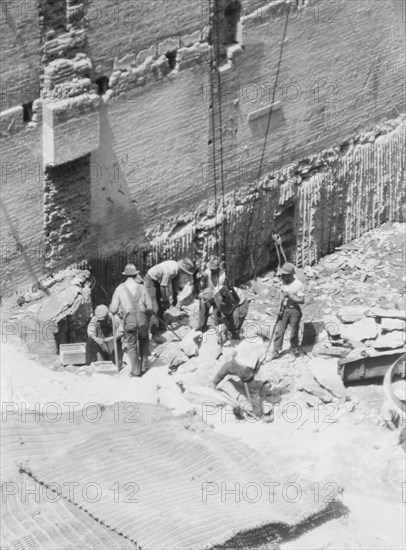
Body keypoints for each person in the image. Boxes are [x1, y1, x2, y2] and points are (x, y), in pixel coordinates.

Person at [110, 263, 153, 377]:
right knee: (144, 340)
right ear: (135, 275)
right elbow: (150, 307)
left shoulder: (119, 289)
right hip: (143, 320)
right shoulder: (142, 287)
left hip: (130, 321)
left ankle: (135, 371)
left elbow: (113, 309)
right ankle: (144, 366)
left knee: (131, 344)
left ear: (125, 276)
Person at [210, 352, 278, 421]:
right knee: (253, 392)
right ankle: (259, 414)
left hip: (242, 378)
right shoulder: (239, 365)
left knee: (254, 391)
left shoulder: (230, 364)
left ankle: (256, 413)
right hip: (240, 384)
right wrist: (214, 384)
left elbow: (221, 373)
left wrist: (214, 383)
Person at [144, 258, 194, 337]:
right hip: (151, 280)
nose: (185, 274)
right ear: (182, 269)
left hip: (158, 281)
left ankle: (161, 326)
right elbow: (163, 287)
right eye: (185, 272)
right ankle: (154, 332)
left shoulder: (177, 271)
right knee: (155, 307)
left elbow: (174, 282)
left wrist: (174, 296)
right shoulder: (171, 270)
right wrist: (165, 300)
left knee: (161, 306)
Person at [270, 262, 305, 360]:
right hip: (284, 310)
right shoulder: (283, 282)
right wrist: (279, 308)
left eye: (285, 275)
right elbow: (281, 296)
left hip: (294, 311)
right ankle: (275, 352)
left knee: (293, 333)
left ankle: (294, 351)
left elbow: (302, 301)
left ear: (290, 275)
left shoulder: (298, 284)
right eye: (282, 275)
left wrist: (291, 296)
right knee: (279, 331)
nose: (282, 277)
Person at [87, 304, 122, 369]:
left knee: (114, 365)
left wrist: (111, 338)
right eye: (99, 321)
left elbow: (120, 332)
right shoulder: (94, 319)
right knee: (101, 365)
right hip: (101, 344)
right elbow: (90, 331)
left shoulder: (115, 319)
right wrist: (96, 339)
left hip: (113, 344)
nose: (101, 322)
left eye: (102, 320)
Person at [198, 256, 227, 332]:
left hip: (218, 293)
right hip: (210, 291)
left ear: (218, 268)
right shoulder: (209, 270)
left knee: (216, 313)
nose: (211, 270)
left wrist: (205, 294)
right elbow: (205, 274)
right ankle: (202, 326)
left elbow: (217, 291)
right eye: (210, 269)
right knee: (203, 306)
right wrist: (201, 275)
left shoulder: (222, 275)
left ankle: (218, 327)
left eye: (213, 269)